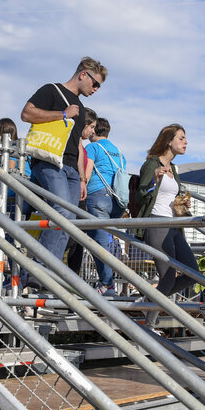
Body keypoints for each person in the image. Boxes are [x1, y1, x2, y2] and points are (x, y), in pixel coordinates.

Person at [20, 57, 106, 288]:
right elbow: (26, 114)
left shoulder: (83, 108)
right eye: (95, 83)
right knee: (62, 214)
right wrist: (63, 114)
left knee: (70, 221)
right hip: (49, 161)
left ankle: (50, 273)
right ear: (83, 75)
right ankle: (40, 271)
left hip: (70, 167)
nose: (96, 89)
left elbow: (78, 144)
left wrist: (81, 179)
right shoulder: (52, 90)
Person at [136, 124, 198, 326]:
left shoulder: (174, 169)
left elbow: (170, 196)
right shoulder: (151, 164)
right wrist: (153, 180)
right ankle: (149, 325)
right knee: (168, 277)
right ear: (169, 141)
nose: (185, 142)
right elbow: (141, 194)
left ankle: (150, 302)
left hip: (174, 226)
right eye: (181, 138)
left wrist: (182, 202)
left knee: (193, 273)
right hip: (157, 223)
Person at [85, 117, 126, 296]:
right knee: (106, 241)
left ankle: (107, 284)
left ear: (94, 130)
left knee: (98, 243)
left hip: (98, 195)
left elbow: (86, 173)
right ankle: (110, 283)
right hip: (117, 201)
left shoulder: (92, 148)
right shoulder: (119, 152)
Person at [64, 107, 98, 277]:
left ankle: (73, 275)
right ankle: (61, 272)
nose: (93, 132)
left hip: (78, 188)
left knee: (80, 235)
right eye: (91, 127)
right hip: (70, 188)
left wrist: (83, 180)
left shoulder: (83, 146)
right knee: (70, 234)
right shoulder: (71, 141)